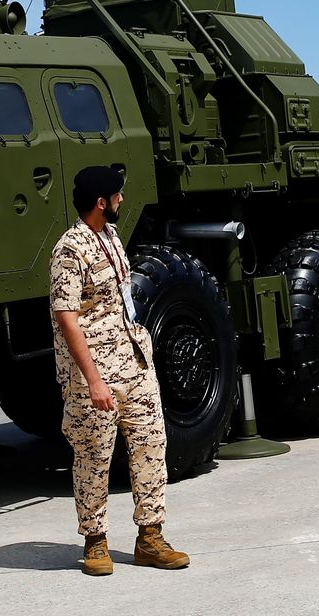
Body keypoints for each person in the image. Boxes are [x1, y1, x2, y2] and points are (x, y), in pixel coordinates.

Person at [49, 165, 188, 576]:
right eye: (118, 195)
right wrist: (93, 380)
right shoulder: (70, 249)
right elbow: (66, 317)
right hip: (96, 372)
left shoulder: (109, 237)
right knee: (94, 455)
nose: (122, 200)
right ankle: (95, 542)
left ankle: (150, 537)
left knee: (151, 444)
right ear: (101, 202)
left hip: (133, 362)